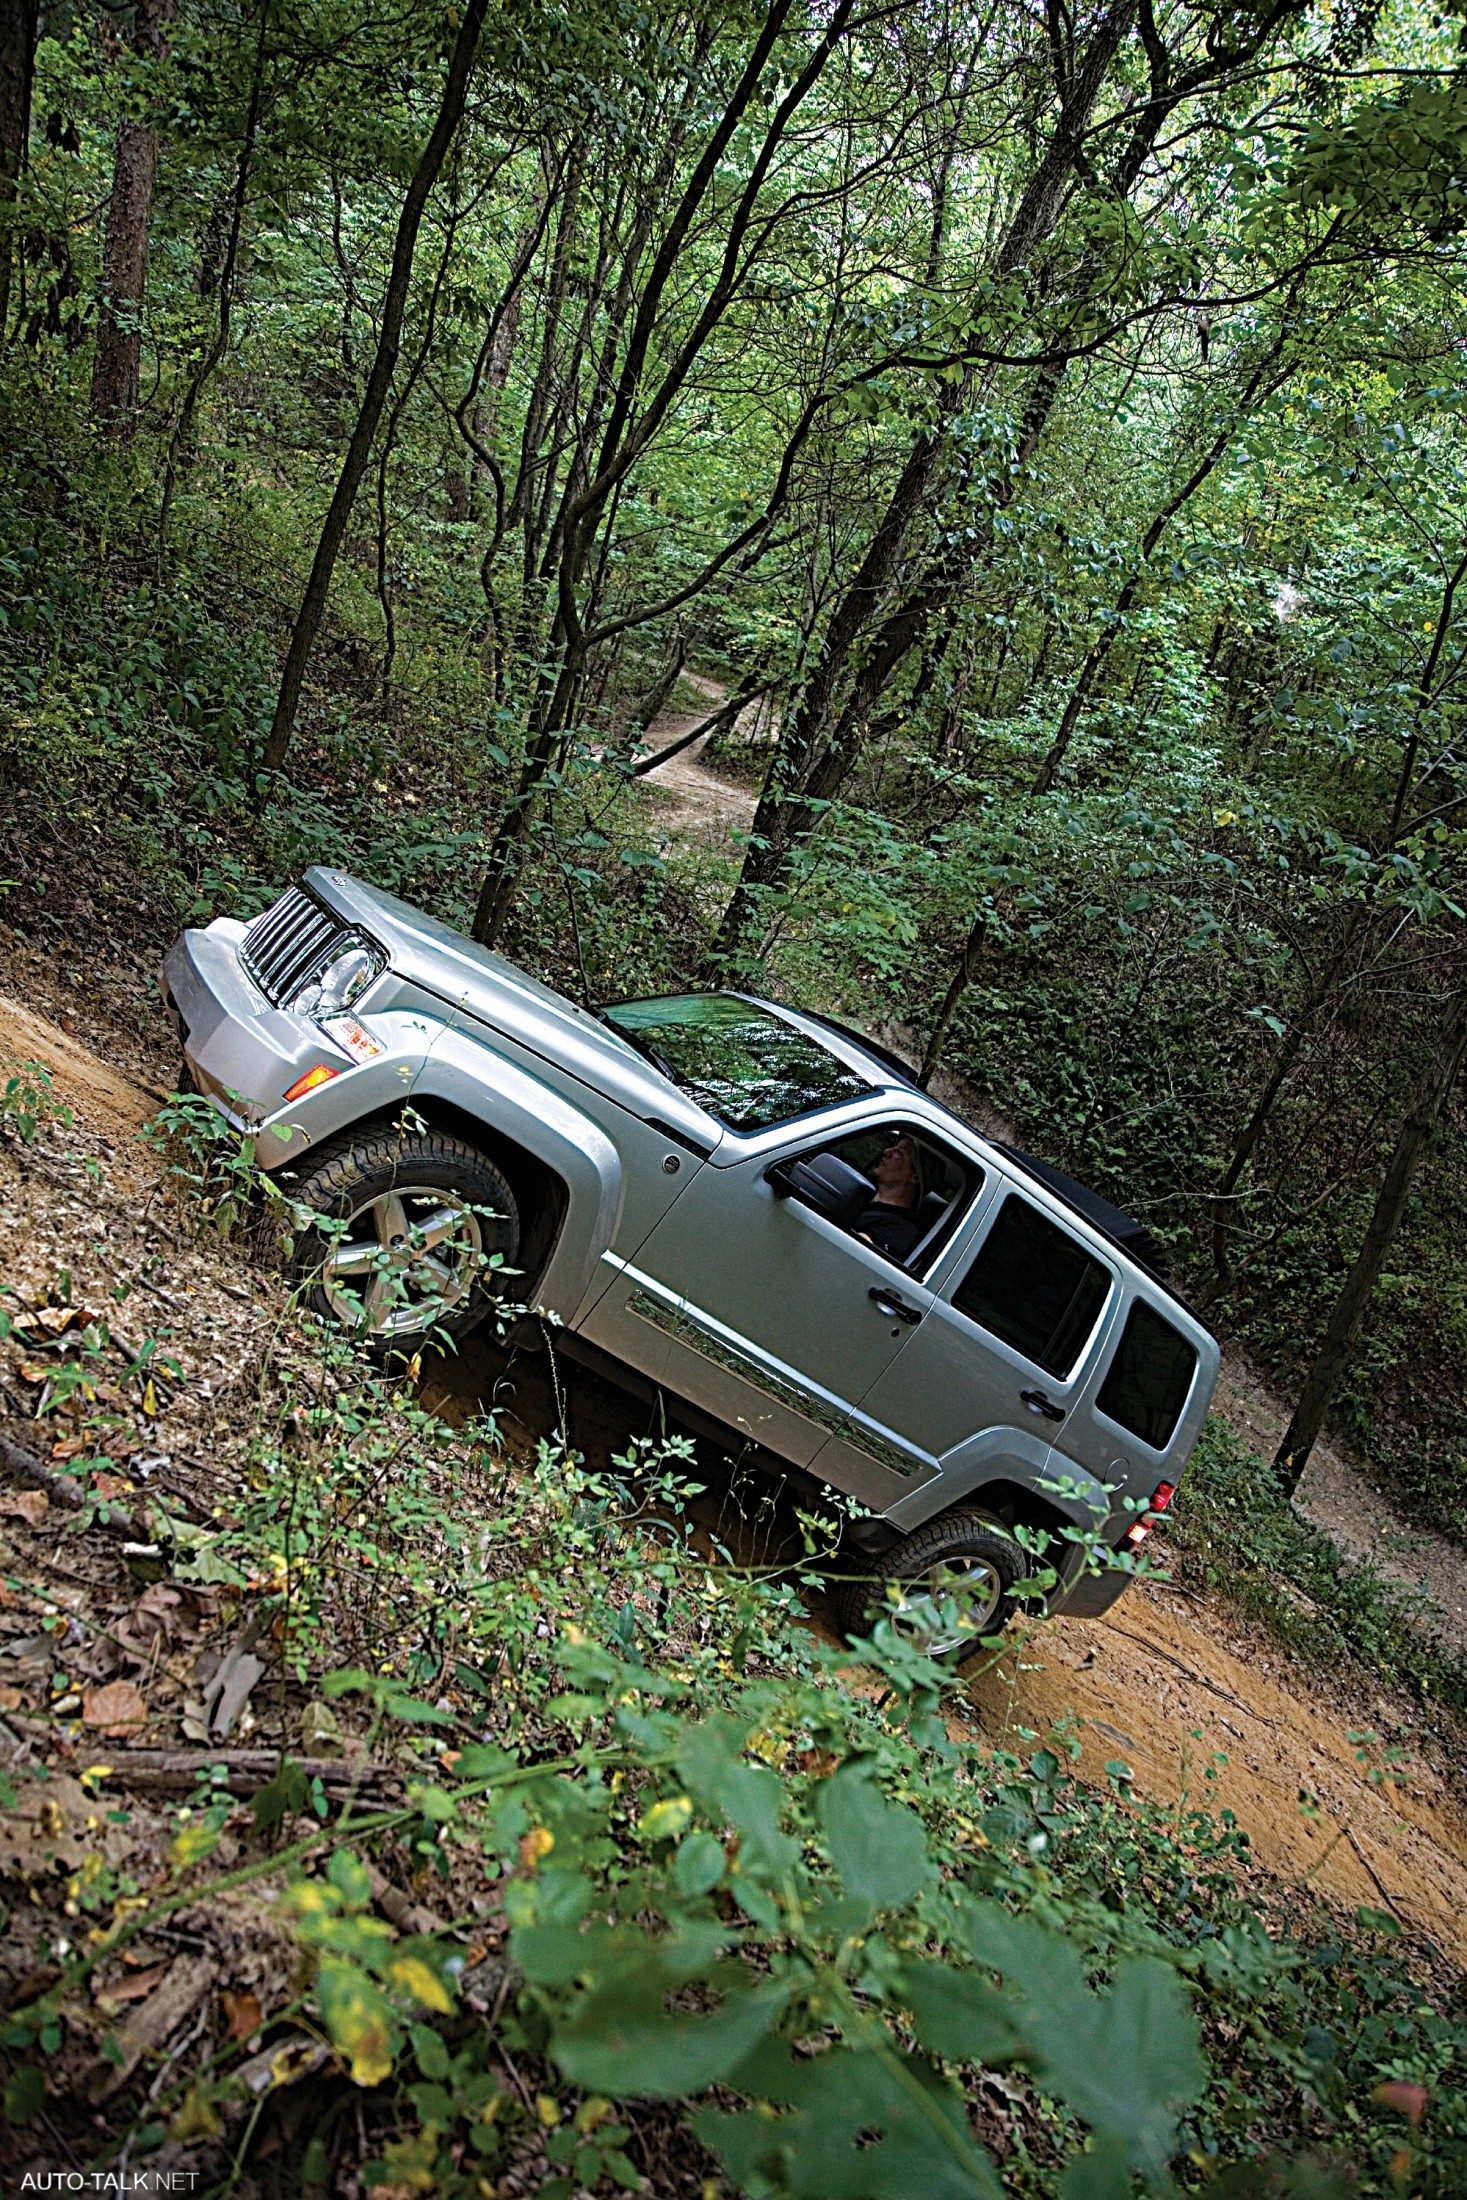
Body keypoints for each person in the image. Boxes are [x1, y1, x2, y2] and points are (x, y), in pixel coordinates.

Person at [854, 1133, 924, 1261]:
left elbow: (856, 1254)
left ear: (914, 1177)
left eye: (900, 1153)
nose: (886, 1151)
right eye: (894, 1147)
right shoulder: (861, 1191)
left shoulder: (901, 1229)